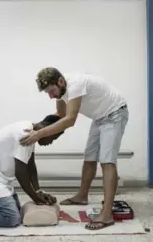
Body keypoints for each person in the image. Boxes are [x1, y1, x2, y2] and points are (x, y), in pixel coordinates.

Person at [20, 68, 129, 230]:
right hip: (99, 118)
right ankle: (82, 196)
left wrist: (39, 134)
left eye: (51, 91)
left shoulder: (75, 85)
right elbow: (60, 114)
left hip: (114, 114)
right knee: (89, 158)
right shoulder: (61, 90)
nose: (51, 96)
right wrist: (36, 127)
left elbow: (70, 120)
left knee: (107, 162)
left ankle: (107, 214)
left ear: (61, 82)